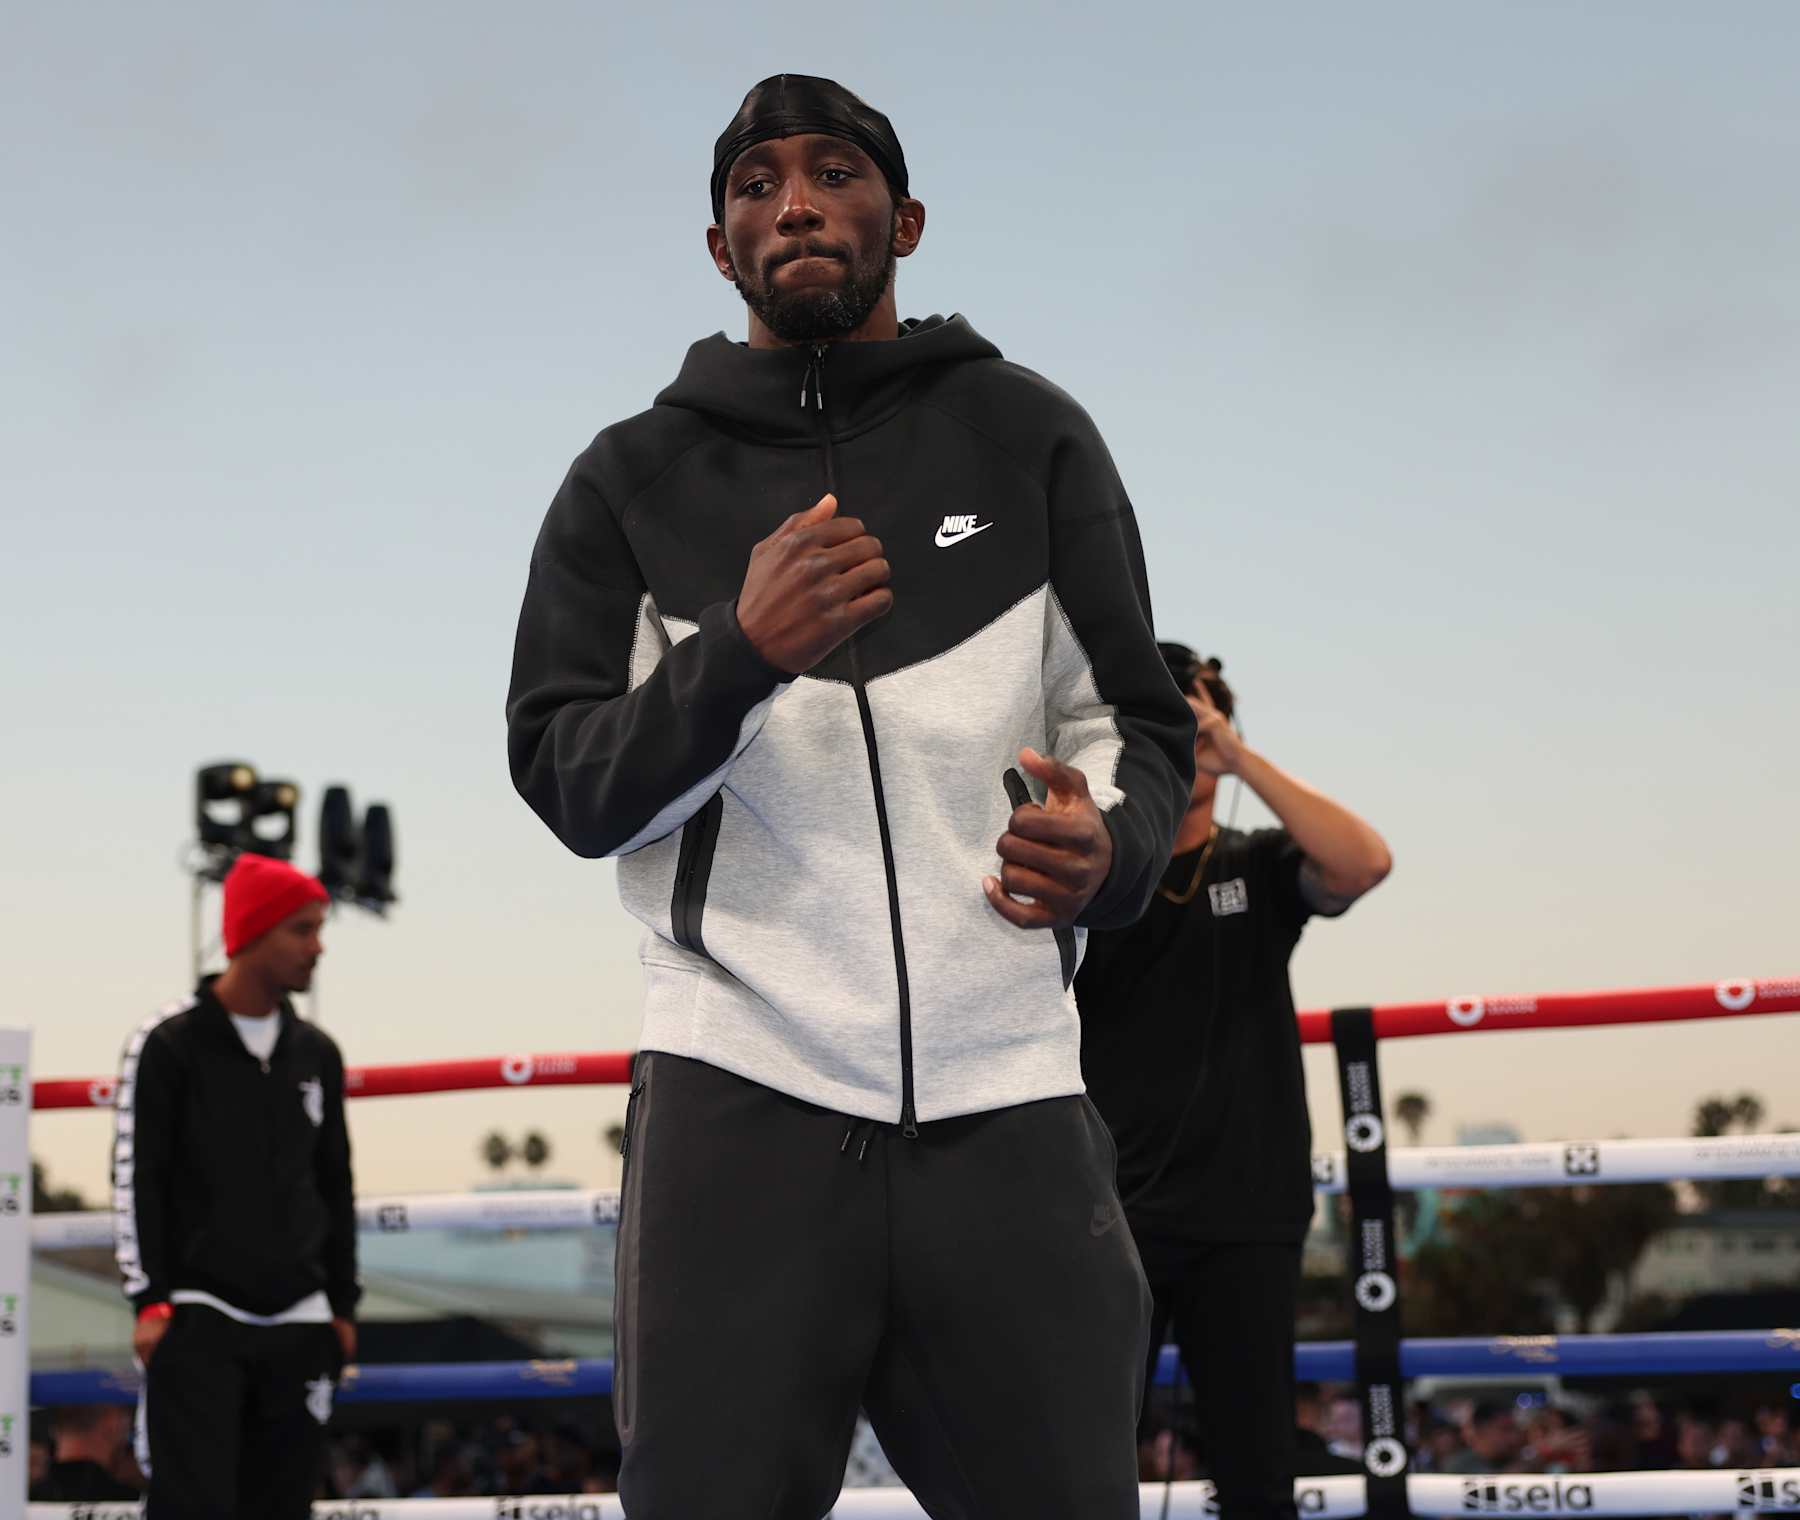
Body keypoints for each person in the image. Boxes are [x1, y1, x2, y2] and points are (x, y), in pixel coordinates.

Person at [506, 72, 1194, 1519]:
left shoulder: (1030, 435)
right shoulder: (628, 480)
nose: (796, 203)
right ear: (719, 248)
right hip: (738, 1099)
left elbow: (1131, 717)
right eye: (756, 185)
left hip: (1009, 1097)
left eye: (832, 173)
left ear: (908, 217)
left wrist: (1112, 845)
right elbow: (568, 780)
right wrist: (742, 656)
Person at [1077, 644, 1392, 1520]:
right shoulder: (1089, 878)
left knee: (1257, 1477)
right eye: (1165, 714)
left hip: (1245, 1213)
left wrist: (1236, 752)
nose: (1184, 730)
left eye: (1199, 711)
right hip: (1107, 1212)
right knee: (1077, 1465)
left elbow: (1363, 862)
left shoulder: (1255, 862)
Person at [112, 852, 359, 1519]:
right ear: (252, 934)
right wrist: (151, 1301)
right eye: (302, 930)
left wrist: (340, 1307)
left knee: (283, 1508)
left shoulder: (317, 1052)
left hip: (301, 1320)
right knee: (193, 1508)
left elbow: (335, 1185)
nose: (319, 946)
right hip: (199, 1316)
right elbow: (139, 1177)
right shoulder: (168, 1045)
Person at [28, 1404, 140, 1501]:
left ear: (54, 1429)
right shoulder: (134, 1501)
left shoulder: (23, 1499)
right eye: (125, 1415)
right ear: (113, 1422)